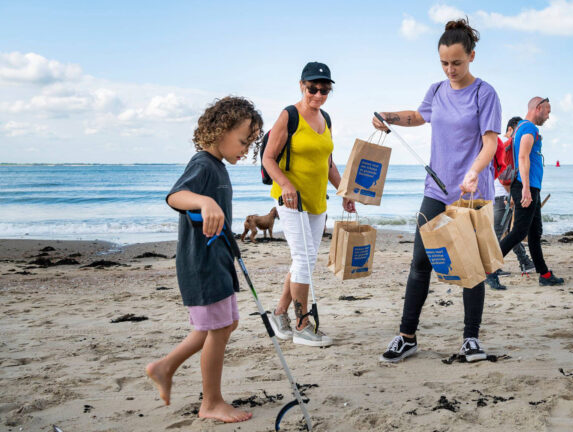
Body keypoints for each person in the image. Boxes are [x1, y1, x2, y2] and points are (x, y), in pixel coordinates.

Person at [373, 19, 501, 363]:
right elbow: (419, 116)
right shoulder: (437, 90)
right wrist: (389, 116)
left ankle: (471, 339)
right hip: (436, 189)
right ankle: (406, 337)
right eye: (444, 63)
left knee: (470, 266)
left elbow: (491, 143)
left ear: (471, 56)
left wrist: (474, 172)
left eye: (457, 63)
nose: (450, 70)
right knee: (420, 262)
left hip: (471, 192)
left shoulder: (484, 93)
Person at [146, 96, 264, 423]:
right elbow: (175, 196)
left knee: (224, 324)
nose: (245, 148)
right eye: (242, 141)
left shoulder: (219, 167)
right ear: (219, 131)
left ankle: (164, 367)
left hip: (218, 261)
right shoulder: (202, 165)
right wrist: (204, 202)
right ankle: (211, 402)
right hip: (202, 266)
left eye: (251, 143)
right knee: (218, 326)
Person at [263, 62, 355, 347]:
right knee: (304, 259)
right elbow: (268, 157)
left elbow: (327, 162)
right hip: (290, 200)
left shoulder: (325, 118)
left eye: (324, 89)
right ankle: (302, 325)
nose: (318, 94)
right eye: (312, 88)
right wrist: (287, 185)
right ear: (301, 85)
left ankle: (279, 314)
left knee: (304, 259)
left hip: (317, 201)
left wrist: (344, 191)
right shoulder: (288, 116)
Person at [499, 97, 565, 286]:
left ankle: (544, 275)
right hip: (526, 186)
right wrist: (526, 189)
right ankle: (488, 269)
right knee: (518, 232)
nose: (548, 116)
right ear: (538, 108)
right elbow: (522, 156)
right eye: (548, 111)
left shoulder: (521, 127)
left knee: (535, 233)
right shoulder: (529, 128)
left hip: (530, 186)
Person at [486, 116, 535, 290]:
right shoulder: (508, 146)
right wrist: (512, 196)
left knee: (508, 233)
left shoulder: (503, 145)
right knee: (500, 233)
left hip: (500, 196)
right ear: (510, 129)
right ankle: (494, 267)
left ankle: (524, 262)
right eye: (516, 130)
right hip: (503, 196)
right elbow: (505, 176)